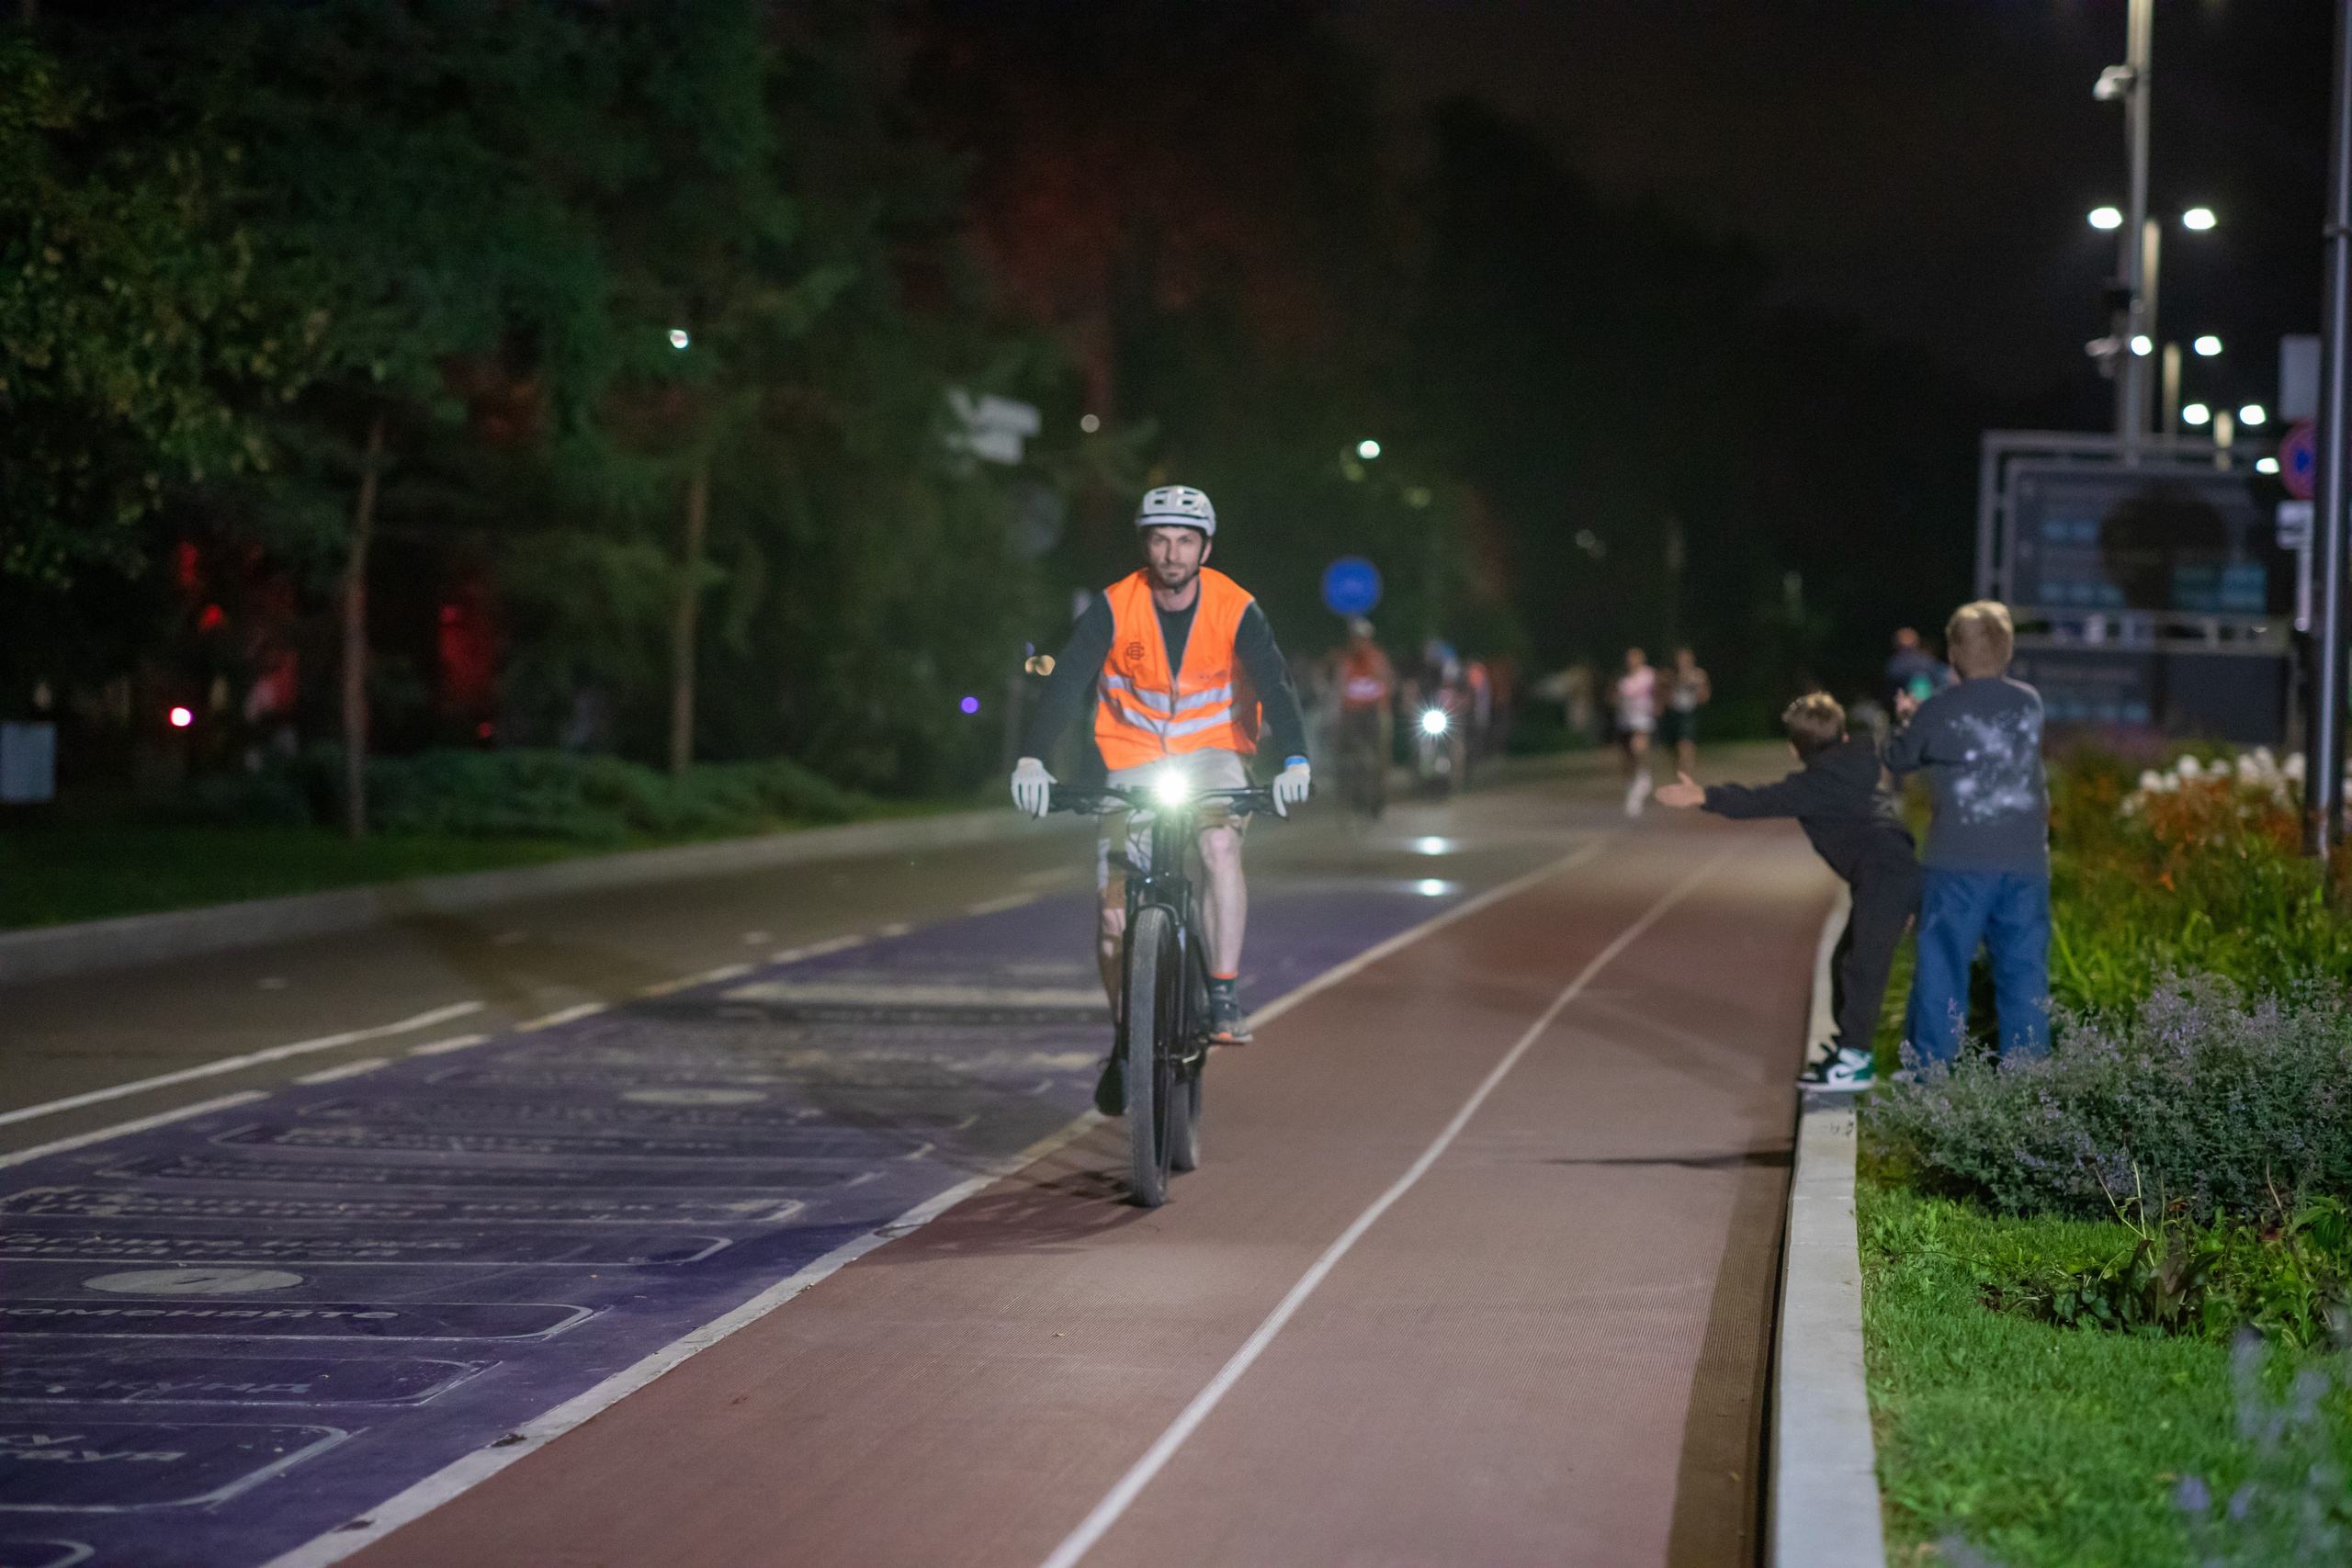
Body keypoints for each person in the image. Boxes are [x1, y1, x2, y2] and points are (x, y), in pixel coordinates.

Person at [1011, 485, 1312, 1077]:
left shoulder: (1237, 608)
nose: (1172, 553)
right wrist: (1032, 759)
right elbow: (1067, 680)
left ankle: (1222, 991)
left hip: (1214, 753)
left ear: (1205, 547)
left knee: (1219, 846)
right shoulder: (1114, 606)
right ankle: (1127, 1040)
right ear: (1145, 544)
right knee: (1111, 924)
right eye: (1160, 539)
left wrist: (1296, 760)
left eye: (1185, 541)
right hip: (1133, 758)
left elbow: (1275, 687)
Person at [1656, 694, 1921, 1089]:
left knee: (1861, 966)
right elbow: (1892, 742)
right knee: (1843, 960)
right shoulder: (1862, 755)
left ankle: (1855, 1060)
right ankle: (1849, 1048)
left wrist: (1703, 796)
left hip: (1885, 875)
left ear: (1794, 749)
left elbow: (1758, 801)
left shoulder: (1810, 787)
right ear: (1843, 736)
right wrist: (1906, 719)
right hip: (1893, 869)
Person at [1883, 601, 2051, 1067]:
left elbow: (1899, 759)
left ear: (1954, 654)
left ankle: (1932, 1083)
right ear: (2008, 650)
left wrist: (1906, 719)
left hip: (1956, 863)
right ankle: (2030, 1084)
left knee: (1943, 968)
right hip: (2025, 862)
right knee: (2024, 977)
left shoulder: (1936, 711)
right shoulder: (2029, 703)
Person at [1331, 617, 1395, 821]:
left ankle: (1378, 802)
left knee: (1379, 758)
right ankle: (1355, 797)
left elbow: (1389, 682)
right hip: (1353, 714)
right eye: (1356, 638)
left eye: (1364, 638)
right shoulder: (1345, 661)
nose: (1360, 643)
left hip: (1374, 712)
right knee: (1353, 757)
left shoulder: (1377, 658)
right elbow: (1338, 688)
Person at [1612, 647, 1657, 815]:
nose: (1631, 661)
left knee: (1638, 747)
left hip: (1643, 720)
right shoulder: (1623, 679)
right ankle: (1632, 791)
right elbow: (1615, 698)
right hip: (1625, 721)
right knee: (1626, 760)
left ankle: (1644, 776)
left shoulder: (1649, 675)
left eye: (1635, 657)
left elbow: (1660, 689)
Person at [1658, 647, 1710, 777]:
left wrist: (1698, 685)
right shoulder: (1669, 675)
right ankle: (1678, 777)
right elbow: (1662, 696)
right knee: (1672, 750)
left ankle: (1686, 779)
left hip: (1688, 714)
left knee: (1685, 746)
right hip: (1671, 714)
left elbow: (1704, 698)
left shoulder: (1698, 675)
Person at [1883, 626, 1946, 709]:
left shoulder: (1923, 658)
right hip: (1905, 695)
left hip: (1930, 689)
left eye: (1911, 647)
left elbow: (1936, 669)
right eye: (1905, 648)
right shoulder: (1894, 663)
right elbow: (1894, 678)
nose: (1908, 651)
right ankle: (1922, 709)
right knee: (1918, 681)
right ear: (1898, 647)